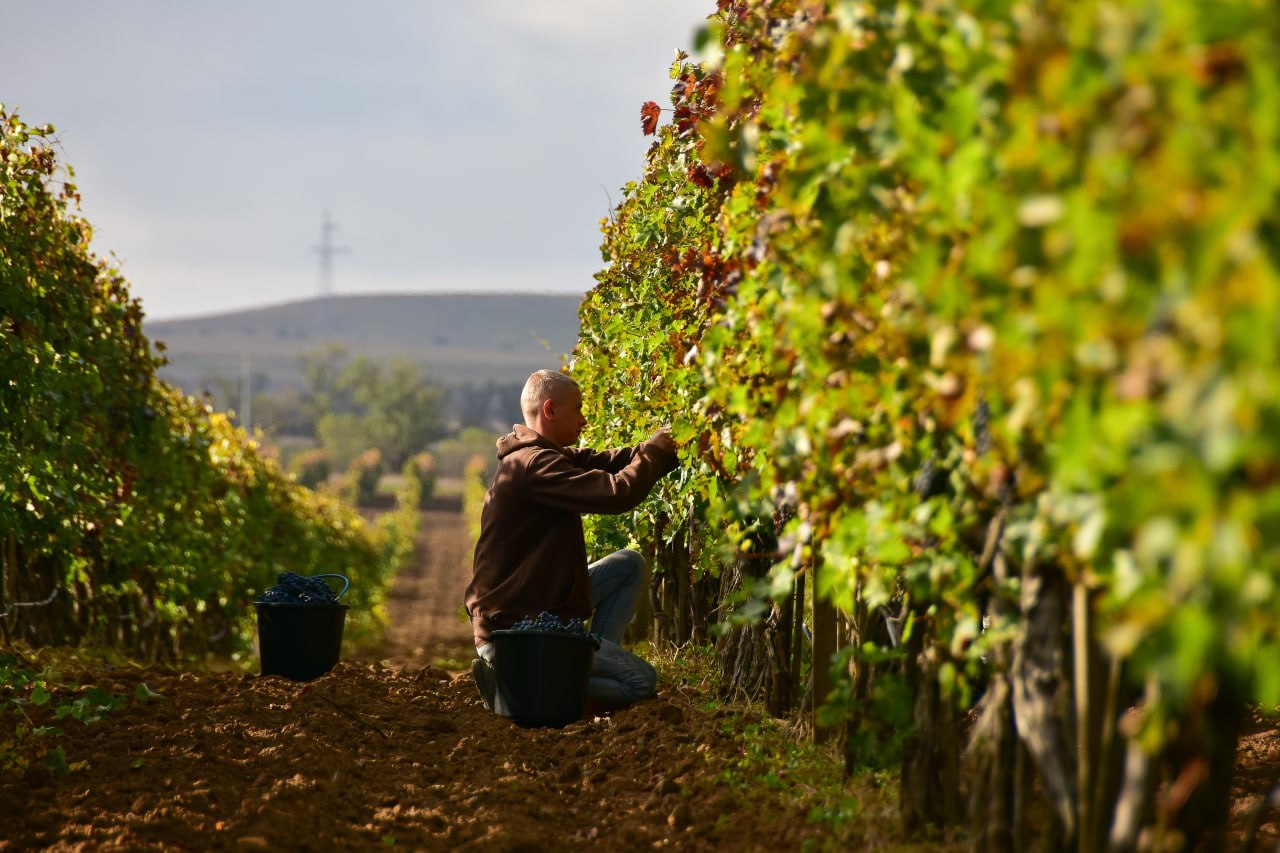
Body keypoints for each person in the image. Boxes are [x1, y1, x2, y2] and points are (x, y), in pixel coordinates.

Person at [464, 369, 678, 712]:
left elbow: (606, 462)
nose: (584, 418)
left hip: (540, 608)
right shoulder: (535, 466)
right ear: (550, 409)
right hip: (518, 631)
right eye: (577, 408)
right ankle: (520, 688)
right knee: (641, 682)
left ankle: (570, 665)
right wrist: (653, 455)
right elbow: (616, 494)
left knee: (629, 565)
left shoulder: (543, 455)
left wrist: (659, 448)